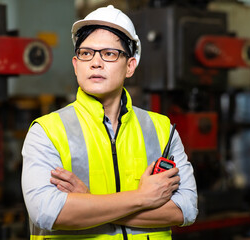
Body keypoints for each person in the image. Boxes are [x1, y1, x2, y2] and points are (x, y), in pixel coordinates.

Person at [21, 5, 198, 240]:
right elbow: (47, 213)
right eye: (86, 53)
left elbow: (186, 209)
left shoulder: (161, 129)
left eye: (109, 54)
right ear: (76, 65)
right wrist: (143, 198)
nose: (95, 62)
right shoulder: (46, 131)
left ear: (130, 66)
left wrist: (89, 201)